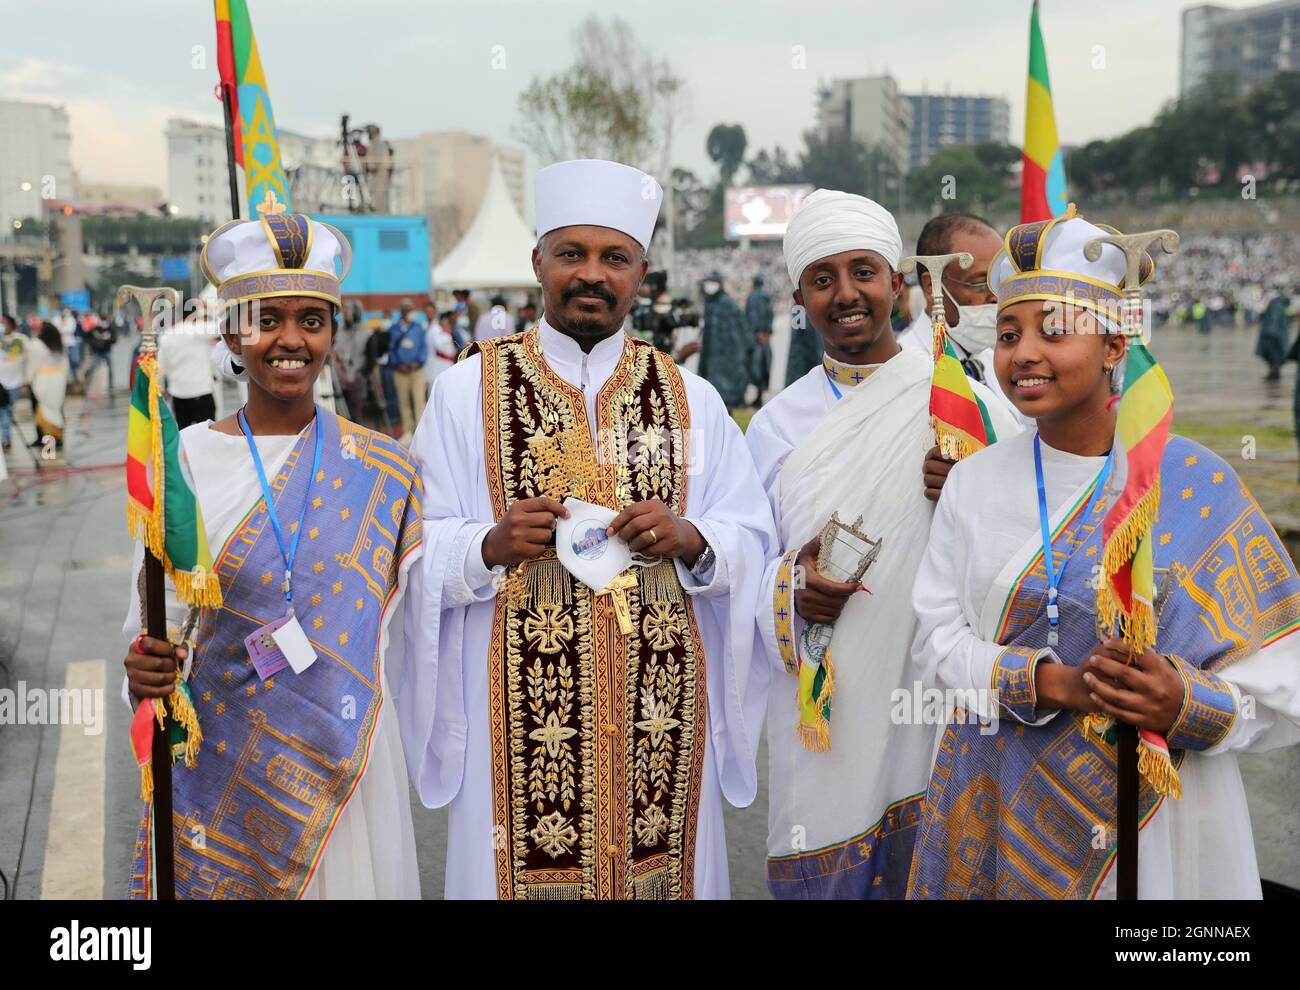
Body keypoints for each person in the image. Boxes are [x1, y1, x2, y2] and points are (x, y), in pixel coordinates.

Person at [402, 158, 776, 899]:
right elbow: (412, 547)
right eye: (572, 254)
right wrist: (486, 547)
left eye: (615, 258)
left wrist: (693, 539)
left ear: (641, 271)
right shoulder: (461, 394)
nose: (592, 275)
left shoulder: (690, 398)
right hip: (512, 719)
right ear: (538, 261)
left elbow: (752, 537)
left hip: (660, 720)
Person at [907, 212, 1300, 899]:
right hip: (1004, 800)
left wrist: (1188, 700)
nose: (1023, 353)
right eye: (1007, 334)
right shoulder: (973, 480)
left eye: (1053, 331)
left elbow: (1285, 676)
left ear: (1116, 342)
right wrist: (1047, 682)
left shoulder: (1198, 482)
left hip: (1160, 825)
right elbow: (933, 644)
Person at [120, 212, 423, 899]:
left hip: (342, 766)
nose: (290, 339)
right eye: (266, 319)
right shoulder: (188, 460)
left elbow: (413, 627)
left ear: (331, 334)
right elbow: (150, 621)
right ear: (231, 333)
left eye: (312, 321)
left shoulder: (384, 468)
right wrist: (141, 666)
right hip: (220, 765)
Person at [747, 190, 1021, 899]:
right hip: (825, 709)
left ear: (897, 283)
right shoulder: (775, 426)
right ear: (800, 295)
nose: (846, 294)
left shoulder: (970, 403)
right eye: (822, 278)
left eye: (863, 271)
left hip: (936, 698)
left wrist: (972, 484)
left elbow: (1033, 550)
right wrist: (792, 586)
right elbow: (743, 569)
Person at [896, 213, 1017, 418]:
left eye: (1000, 282)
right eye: (980, 284)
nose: (995, 297)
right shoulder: (904, 374)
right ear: (931, 285)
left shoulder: (993, 359)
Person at [694, 271, 752, 411]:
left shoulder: (727, 304)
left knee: (723, 405)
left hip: (726, 363)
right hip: (712, 362)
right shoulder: (711, 304)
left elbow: (741, 335)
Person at [387, 298, 427, 444]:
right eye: (409, 309)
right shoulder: (394, 329)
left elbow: (423, 347)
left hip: (417, 371)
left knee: (419, 401)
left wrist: (417, 363)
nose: (412, 312)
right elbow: (390, 350)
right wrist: (399, 365)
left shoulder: (418, 328)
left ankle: (422, 432)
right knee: (403, 403)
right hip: (400, 372)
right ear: (403, 311)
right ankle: (408, 432)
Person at [27, 322, 69, 449]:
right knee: (56, 408)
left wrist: (28, 378)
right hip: (58, 380)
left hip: (41, 380)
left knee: (40, 409)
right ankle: (58, 437)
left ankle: (43, 438)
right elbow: (66, 365)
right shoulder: (59, 345)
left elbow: (33, 364)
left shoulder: (36, 344)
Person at [1, 314, 29, 451]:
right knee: (4, 411)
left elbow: (30, 358)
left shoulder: (22, 340)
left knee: (8, 410)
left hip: (14, 382)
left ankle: (6, 437)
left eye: (4, 323)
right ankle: (5, 438)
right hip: (0, 383)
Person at [746, 274, 774, 407]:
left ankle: (757, 397)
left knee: (755, 366)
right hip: (765, 337)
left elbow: (751, 315)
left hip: (756, 337)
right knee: (764, 365)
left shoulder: (753, 297)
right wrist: (767, 332)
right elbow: (770, 315)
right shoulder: (767, 296)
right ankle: (759, 396)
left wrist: (758, 332)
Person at [1257, 286, 1293, 382]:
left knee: (1273, 356)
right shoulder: (1283, 305)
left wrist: (1270, 334)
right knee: (1276, 358)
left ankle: (1273, 375)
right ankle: (1274, 374)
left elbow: (1274, 320)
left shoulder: (1275, 305)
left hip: (1273, 337)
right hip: (1280, 335)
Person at [423, 304, 457, 388]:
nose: (429, 314)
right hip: (436, 366)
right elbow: (439, 345)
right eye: (427, 312)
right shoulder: (431, 327)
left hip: (443, 365)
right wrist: (447, 333)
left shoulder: (437, 326)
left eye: (431, 312)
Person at [83, 315, 118, 393]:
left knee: (111, 368)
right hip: (97, 352)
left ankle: (111, 386)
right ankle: (87, 383)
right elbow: (87, 338)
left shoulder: (110, 328)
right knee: (93, 368)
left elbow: (115, 339)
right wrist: (95, 344)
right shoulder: (94, 329)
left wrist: (107, 340)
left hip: (107, 351)